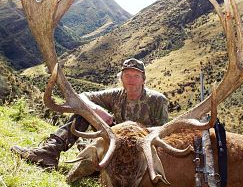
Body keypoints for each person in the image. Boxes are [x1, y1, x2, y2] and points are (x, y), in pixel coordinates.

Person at [11, 58, 168, 170]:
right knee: (84, 112)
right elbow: (83, 96)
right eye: (127, 75)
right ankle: (49, 152)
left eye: (136, 76)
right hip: (113, 138)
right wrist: (99, 111)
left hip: (139, 148)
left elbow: (162, 134)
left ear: (143, 80)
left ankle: (94, 158)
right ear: (121, 78)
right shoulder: (116, 95)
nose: (131, 80)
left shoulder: (157, 100)